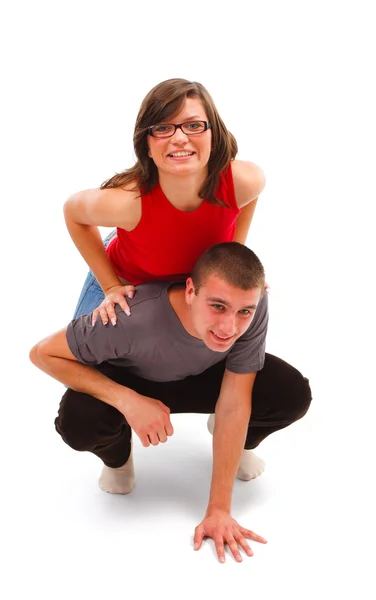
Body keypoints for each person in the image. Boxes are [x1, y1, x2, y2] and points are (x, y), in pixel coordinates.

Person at [30, 242, 311, 564]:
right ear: (190, 290)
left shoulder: (252, 306)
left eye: (243, 311)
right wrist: (127, 400)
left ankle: (233, 438)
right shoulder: (131, 318)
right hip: (132, 374)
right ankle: (118, 460)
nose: (229, 327)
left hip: (203, 370)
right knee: (79, 422)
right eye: (217, 306)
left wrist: (219, 509)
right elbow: (42, 353)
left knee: (291, 394)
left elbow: (235, 401)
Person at [64, 78, 266, 327]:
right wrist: (111, 286)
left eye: (193, 125)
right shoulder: (128, 203)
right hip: (127, 276)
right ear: (147, 145)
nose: (180, 138)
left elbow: (250, 199)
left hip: (188, 284)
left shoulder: (243, 181)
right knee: (83, 357)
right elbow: (73, 212)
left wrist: (234, 258)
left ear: (214, 135)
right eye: (162, 128)